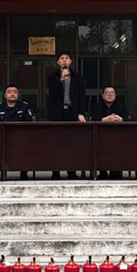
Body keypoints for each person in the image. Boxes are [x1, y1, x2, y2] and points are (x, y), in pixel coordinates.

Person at [47, 51, 87, 179]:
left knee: (72, 142)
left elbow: (82, 96)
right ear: (58, 62)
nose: (64, 60)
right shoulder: (52, 77)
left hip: (72, 112)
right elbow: (52, 93)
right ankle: (56, 171)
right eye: (62, 58)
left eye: (67, 58)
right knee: (56, 143)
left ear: (70, 61)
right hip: (58, 113)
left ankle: (71, 171)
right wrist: (61, 79)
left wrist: (81, 113)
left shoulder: (77, 78)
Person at [0, 84, 33, 181]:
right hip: (2, 137)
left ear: (18, 94)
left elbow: (29, 123)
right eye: (9, 92)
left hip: (20, 137)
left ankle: (24, 172)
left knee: (25, 147)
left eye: (15, 92)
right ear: (5, 95)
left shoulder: (24, 107)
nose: (12, 94)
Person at [91, 85, 128, 180]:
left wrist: (121, 119)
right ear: (103, 95)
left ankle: (115, 171)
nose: (110, 95)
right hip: (101, 135)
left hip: (118, 135)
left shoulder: (121, 105)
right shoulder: (96, 106)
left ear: (115, 95)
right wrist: (103, 120)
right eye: (107, 93)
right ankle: (103, 172)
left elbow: (127, 119)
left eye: (112, 93)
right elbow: (93, 120)